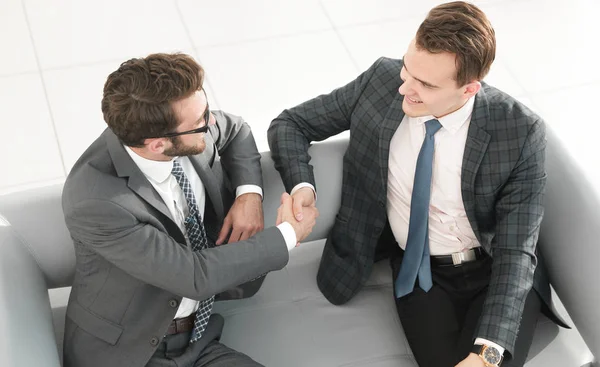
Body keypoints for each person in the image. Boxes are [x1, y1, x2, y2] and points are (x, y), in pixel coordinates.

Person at [267, 2, 568, 366]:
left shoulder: (519, 131)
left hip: (494, 270)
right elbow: (290, 124)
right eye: (408, 69)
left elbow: (516, 251)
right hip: (420, 272)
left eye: (425, 84)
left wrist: (487, 353)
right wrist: (303, 189)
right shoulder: (382, 80)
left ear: (470, 88)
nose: (405, 88)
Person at [62, 52, 318, 367]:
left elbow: (236, 129)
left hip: (199, 342)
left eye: (206, 110)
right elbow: (194, 276)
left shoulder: (184, 129)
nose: (210, 123)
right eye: (200, 123)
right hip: (131, 353)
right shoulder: (96, 202)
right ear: (157, 144)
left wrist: (248, 195)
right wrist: (290, 233)